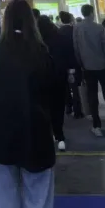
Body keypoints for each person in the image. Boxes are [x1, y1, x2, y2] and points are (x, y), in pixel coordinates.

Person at [0, 0, 57, 208]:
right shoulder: (42, 52)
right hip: (37, 135)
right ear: (31, 20)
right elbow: (55, 93)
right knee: (39, 201)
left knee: (4, 200)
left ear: (6, 20)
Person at [73, 4, 105, 138]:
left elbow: (76, 48)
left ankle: (96, 126)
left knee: (92, 97)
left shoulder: (77, 28)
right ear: (92, 13)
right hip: (103, 66)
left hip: (88, 67)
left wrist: (81, 64)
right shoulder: (99, 27)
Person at [37, 15, 66, 151]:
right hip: (59, 77)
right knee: (58, 107)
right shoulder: (59, 36)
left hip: (42, 78)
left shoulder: (36, 40)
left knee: (44, 108)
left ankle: (47, 136)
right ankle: (60, 136)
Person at [56, 12, 82, 119]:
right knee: (75, 87)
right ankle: (77, 110)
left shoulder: (58, 31)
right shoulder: (74, 30)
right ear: (71, 19)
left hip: (63, 63)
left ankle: (68, 106)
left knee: (66, 86)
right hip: (74, 62)